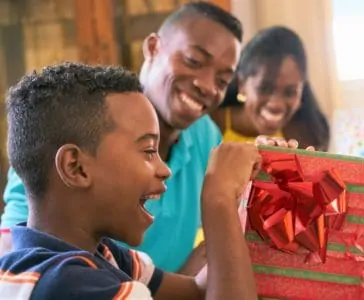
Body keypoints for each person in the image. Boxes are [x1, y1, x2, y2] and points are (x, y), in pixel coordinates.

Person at [0, 2, 243, 274]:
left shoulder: (206, 137)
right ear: (153, 47)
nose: (207, 86)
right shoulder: (76, 124)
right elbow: (17, 255)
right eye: (194, 61)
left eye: (222, 81)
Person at [0, 62, 259, 300]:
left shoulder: (98, 255)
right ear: (75, 167)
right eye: (148, 151)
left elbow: (199, 290)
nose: (164, 170)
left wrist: (248, 200)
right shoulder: (67, 285)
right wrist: (218, 198)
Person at [211, 26, 330, 151]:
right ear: (242, 85)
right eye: (264, 88)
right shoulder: (211, 126)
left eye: (290, 92)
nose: (276, 104)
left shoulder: (305, 135)